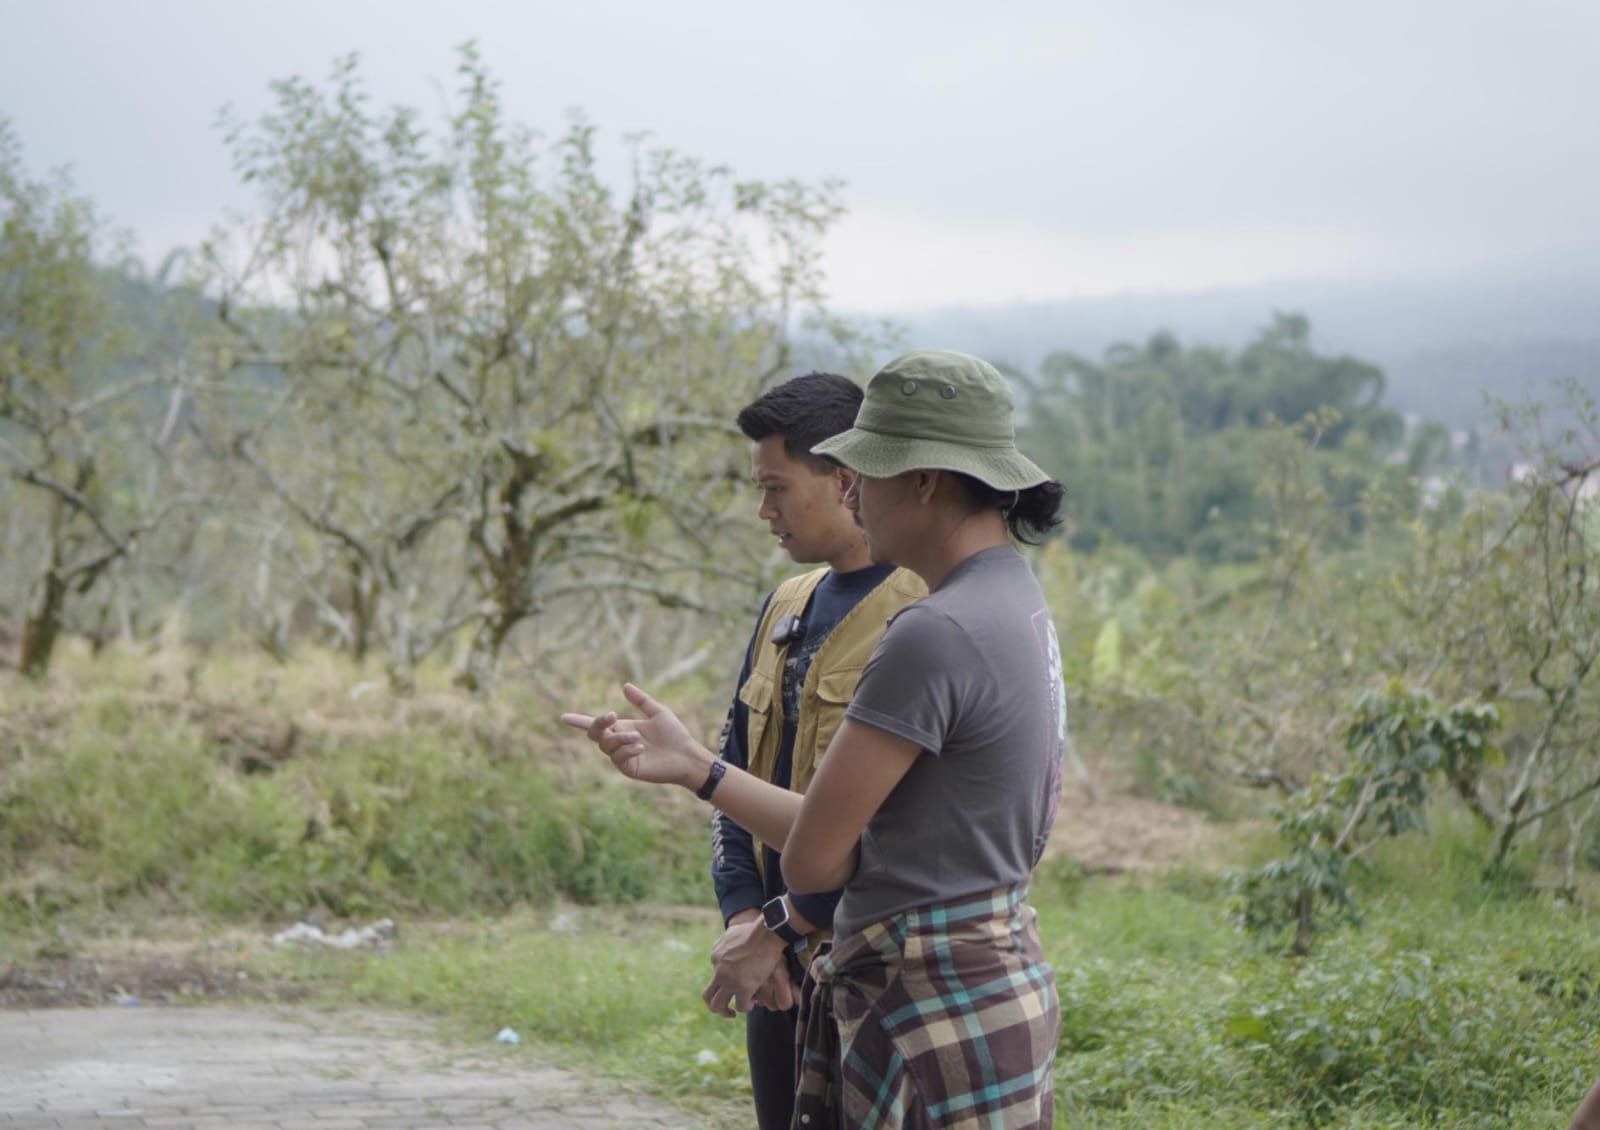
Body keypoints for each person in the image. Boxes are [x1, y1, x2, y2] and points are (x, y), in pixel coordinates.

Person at [563, 349, 1066, 1128]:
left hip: (921, 1010)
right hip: (991, 984)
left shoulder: (931, 630)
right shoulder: (1015, 601)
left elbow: (816, 855)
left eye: (868, 472)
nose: (855, 492)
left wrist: (702, 777)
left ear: (925, 481)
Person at [705, 372, 925, 1130]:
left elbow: (896, 828)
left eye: (777, 487)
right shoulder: (787, 603)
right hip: (775, 967)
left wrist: (783, 923)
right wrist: (744, 917)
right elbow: (732, 772)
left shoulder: (921, 616)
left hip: (867, 965)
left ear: (845, 478)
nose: (764, 510)